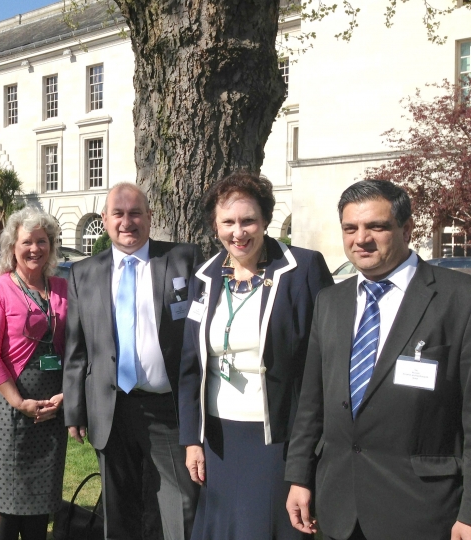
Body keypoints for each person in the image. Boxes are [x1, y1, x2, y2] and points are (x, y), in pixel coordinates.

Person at [285, 180, 471, 540]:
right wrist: (299, 476)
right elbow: (312, 404)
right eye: (350, 228)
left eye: (377, 227)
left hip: (424, 510)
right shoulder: (330, 301)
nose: (361, 239)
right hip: (339, 505)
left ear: (406, 229)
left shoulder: (458, 299)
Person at [177, 171, 333, 540]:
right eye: (228, 222)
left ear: (265, 220)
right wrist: (191, 438)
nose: (239, 232)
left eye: (248, 220)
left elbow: (325, 357)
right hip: (218, 440)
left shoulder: (303, 269)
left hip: (277, 438)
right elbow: (190, 366)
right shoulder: (205, 278)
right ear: (215, 227)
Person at [63, 182, 201, 540]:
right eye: (119, 214)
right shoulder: (83, 273)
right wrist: (74, 410)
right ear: (105, 220)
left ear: (150, 218)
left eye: (136, 213)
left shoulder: (183, 259)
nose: (128, 222)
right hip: (111, 409)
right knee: (118, 510)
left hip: (167, 410)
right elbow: (76, 350)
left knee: (181, 508)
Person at [0, 206, 68, 540]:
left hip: (51, 409)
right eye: (27, 241)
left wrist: (65, 395)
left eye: (42, 241)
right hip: (6, 408)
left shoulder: (62, 288)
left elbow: (77, 348)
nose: (35, 249)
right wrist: (18, 401)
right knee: (5, 497)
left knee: (41, 497)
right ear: (12, 247)